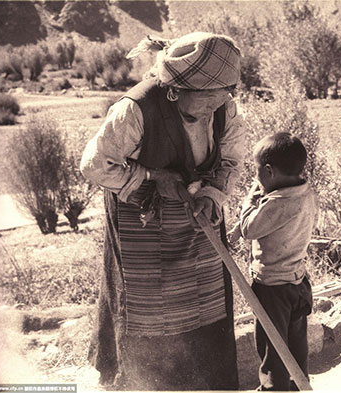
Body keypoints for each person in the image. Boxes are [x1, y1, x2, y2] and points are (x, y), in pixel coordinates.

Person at [80, 32, 245, 391]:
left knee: (208, 304)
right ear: (177, 89)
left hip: (197, 217)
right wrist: (151, 177)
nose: (216, 106)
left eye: (223, 97)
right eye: (207, 99)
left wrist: (213, 194)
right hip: (144, 219)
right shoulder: (137, 109)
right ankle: (145, 382)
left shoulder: (223, 107)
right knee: (147, 313)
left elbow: (231, 160)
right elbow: (94, 165)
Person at [228, 132, 317, 391]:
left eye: (257, 172)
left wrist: (250, 198)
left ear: (268, 172)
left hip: (273, 288)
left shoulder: (279, 202)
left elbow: (250, 228)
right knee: (295, 341)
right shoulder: (305, 193)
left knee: (272, 347)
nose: (256, 178)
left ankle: (273, 388)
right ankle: (299, 384)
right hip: (297, 283)